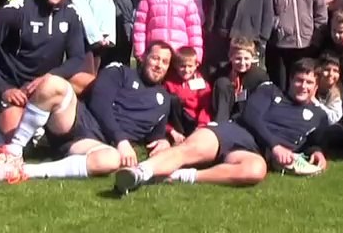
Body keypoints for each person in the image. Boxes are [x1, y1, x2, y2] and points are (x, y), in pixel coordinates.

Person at [114, 57, 330, 192]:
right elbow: (251, 118)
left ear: (316, 85)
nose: (303, 86)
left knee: (256, 171)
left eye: (309, 82)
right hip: (234, 131)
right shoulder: (270, 90)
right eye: (298, 80)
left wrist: (317, 151)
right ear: (291, 81)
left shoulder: (318, 116)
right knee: (191, 149)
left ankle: (184, 176)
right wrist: (276, 146)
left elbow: (313, 141)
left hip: (254, 153)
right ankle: (138, 173)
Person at [0, 41, 182, 184]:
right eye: (155, 58)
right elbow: (99, 102)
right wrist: (121, 139)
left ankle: (24, 171)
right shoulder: (120, 71)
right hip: (78, 119)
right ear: (143, 57)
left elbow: (155, 138)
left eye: (164, 62)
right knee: (53, 83)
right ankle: (13, 151)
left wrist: (165, 140)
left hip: (93, 145)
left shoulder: (164, 100)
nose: (158, 65)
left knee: (111, 160)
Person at [0, 0, 88, 144]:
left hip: (41, 88)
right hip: (10, 87)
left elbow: (77, 58)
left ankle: (43, 125)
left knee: (64, 133)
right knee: (17, 140)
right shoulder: (18, 8)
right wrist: (3, 88)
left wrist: (49, 78)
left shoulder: (72, 14)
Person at [210, 38, 271, 122]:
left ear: (252, 58)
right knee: (222, 82)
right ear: (230, 57)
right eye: (238, 59)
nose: (242, 63)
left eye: (246, 59)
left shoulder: (259, 76)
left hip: (247, 114)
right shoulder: (221, 72)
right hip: (226, 110)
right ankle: (221, 122)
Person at [164, 46, 213, 137]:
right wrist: (169, 129)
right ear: (176, 65)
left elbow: (205, 106)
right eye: (182, 66)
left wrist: (201, 125)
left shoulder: (201, 83)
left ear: (196, 65)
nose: (186, 70)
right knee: (173, 99)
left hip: (193, 119)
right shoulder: (169, 82)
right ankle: (177, 133)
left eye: (190, 66)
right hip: (175, 119)